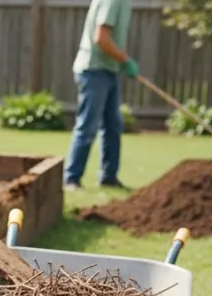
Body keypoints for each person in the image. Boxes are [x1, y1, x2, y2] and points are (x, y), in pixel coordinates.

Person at [63, 0, 137, 192]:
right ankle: (71, 179)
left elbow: (114, 38)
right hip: (94, 70)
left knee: (113, 125)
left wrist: (121, 61)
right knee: (88, 125)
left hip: (109, 69)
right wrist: (125, 60)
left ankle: (109, 177)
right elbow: (101, 38)